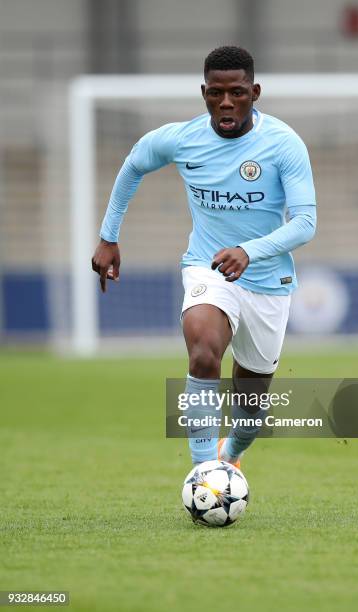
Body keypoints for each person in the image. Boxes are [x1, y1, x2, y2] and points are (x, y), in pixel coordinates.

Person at [92, 45, 316, 468]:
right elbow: (134, 164)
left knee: (250, 409)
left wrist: (249, 251)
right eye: (216, 93)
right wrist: (108, 236)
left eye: (237, 92)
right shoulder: (182, 138)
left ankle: (230, 454)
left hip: (269, 283)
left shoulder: (284, 144)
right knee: (203, 352)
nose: (226, 102)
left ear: (255, 91)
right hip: (207, 268)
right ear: (204, 92)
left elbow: (305, 223)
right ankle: (203, 474)